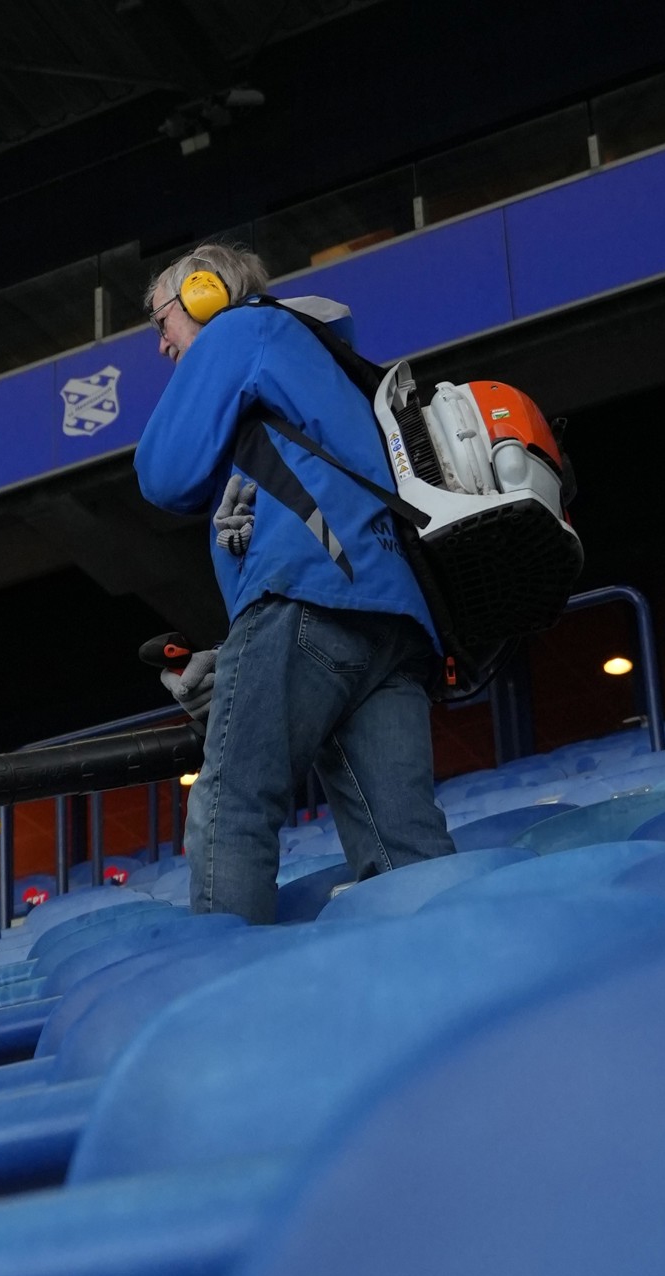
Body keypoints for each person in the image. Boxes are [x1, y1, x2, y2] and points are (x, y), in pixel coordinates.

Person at [135, 241, 454, 922]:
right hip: (389, 620)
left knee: (232, 806)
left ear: (201, 294)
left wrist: (265, 642)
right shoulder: (307, 352)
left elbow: (163, 472)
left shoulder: (240, 329)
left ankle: (224, 1016)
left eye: (162, 323)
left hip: (311, 593)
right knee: (407, 851)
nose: (162, 347)